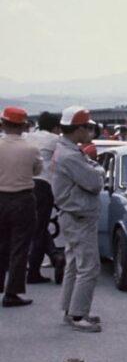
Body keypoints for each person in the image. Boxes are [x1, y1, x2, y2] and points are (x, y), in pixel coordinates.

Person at [52, 107, 104, 331]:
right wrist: (99, 171)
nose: (90, 131)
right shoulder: (72, 155)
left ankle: (69, 310)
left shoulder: (67, 150)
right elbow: (94, 182)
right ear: (79, 129)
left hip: (72, 215)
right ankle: (78, 315)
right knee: (89, 267)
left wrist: (94, 169)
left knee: (74, 264)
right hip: (79, 215)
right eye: (88, 127)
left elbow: (90, 171)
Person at [0, 107, 41, 307]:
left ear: (3, 124)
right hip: (23, 198)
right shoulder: (31, 148)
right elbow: (37, 170)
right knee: (19, 247)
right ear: (24, 126)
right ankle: (12, 291)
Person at [25, 111, 63, 285]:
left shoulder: (28, 137)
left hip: (24, 185)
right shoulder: (56, 141)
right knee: (39, 229)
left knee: (33, 227)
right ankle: (34, 271)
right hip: (44, 185)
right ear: (56, 127)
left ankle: (53, 256)